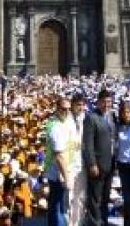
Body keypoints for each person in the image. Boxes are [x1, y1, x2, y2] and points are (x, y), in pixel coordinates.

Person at [83, 88, 115, 225]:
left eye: (109, 102)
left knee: (106, 197)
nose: (106, 105)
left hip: (110, 164)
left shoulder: (112, 117)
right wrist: (92, 164)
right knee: (95, 198)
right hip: (97, 164)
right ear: (98, 102)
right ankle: (95, 222)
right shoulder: (91, 118)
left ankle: (104, 221)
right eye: (104, 102)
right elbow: (88, 143)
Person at [44, 96, 74, 226]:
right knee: (59, 208)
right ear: (57, 109)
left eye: (69, 109)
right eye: (63, 109)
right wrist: (67, 177)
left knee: (55, 205)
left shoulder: (59, 122)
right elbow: (59, 154)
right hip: (58, 171)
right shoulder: (56, 127)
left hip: (57, 169)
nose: (66, 112)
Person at [69, 92, 88, 225]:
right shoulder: (66, 119)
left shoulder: (88, 119)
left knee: (80, 197)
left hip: (82, 163)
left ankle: (79, 223)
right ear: (72, 106)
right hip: (69, 163)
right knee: (69, 197)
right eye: (78, 105)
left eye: (82, 105)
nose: (80, 108)